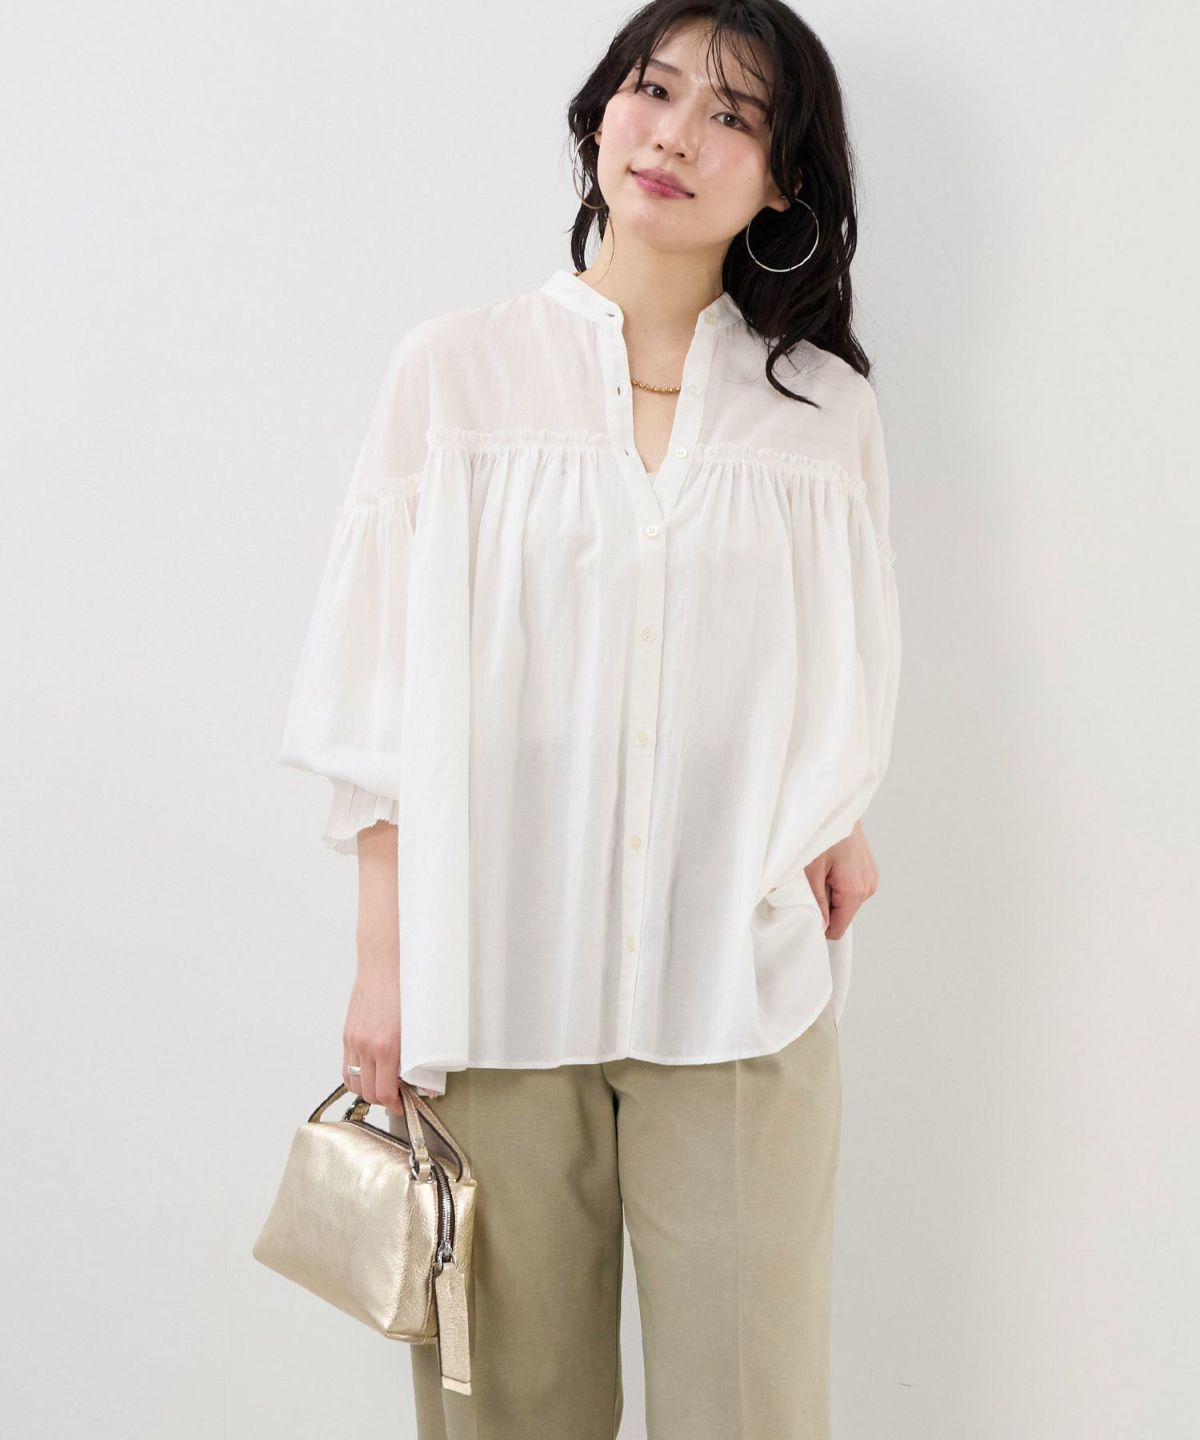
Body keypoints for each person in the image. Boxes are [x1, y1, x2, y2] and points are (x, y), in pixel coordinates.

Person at [276, 2, 901, 1435]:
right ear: (601, 116)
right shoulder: (458, 373)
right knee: (510, 1408)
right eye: (652, 90)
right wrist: (384, 964)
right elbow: (377, 692)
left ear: (784, 181)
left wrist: (842, 810)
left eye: (733, 117)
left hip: (735, 981)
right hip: (497, 971)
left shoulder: (824, 416)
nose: (675, 135)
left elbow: (841, 658)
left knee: (749, 1408)